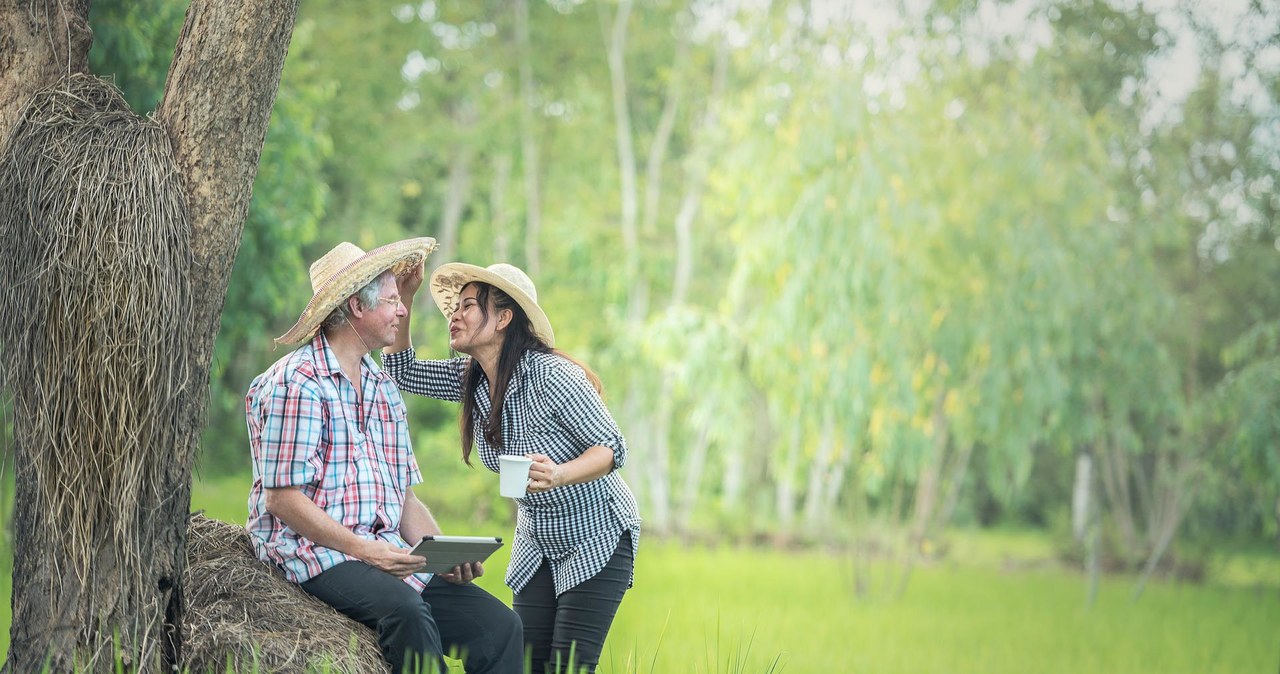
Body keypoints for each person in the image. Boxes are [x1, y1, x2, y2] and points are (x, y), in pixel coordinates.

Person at [245, 239, 523, 674]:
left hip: (382, 552)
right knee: (407, 613)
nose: (402, 311)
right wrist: (367, 551)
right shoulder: (297, 383)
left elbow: (403, 498)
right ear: (358, 306)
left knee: (499, 626)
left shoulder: (382, 388)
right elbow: (282, 500)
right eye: (393, 300)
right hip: (315, 552)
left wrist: (445, 553)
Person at [382, 261, 641, 674]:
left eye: (468, 305)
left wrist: (559, 474)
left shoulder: (551, 375)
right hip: (538, 540)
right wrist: (407, 295)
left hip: (595, 535)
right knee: (523, 663)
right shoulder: (473, 379)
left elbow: (612, 448)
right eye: (455, 306)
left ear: (503, 318)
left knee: (568, 667)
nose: (455, 315)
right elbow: (400, 370)